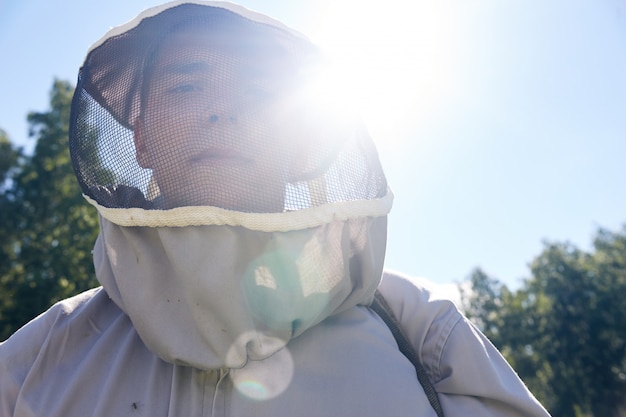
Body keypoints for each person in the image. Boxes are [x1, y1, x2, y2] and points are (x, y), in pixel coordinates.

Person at [0, 1, 551, 416]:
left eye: (259, 93)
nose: (221, 111)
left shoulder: (426, 335)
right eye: (187, 87)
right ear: (140, 139)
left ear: (299, 144)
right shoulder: (37, 359)